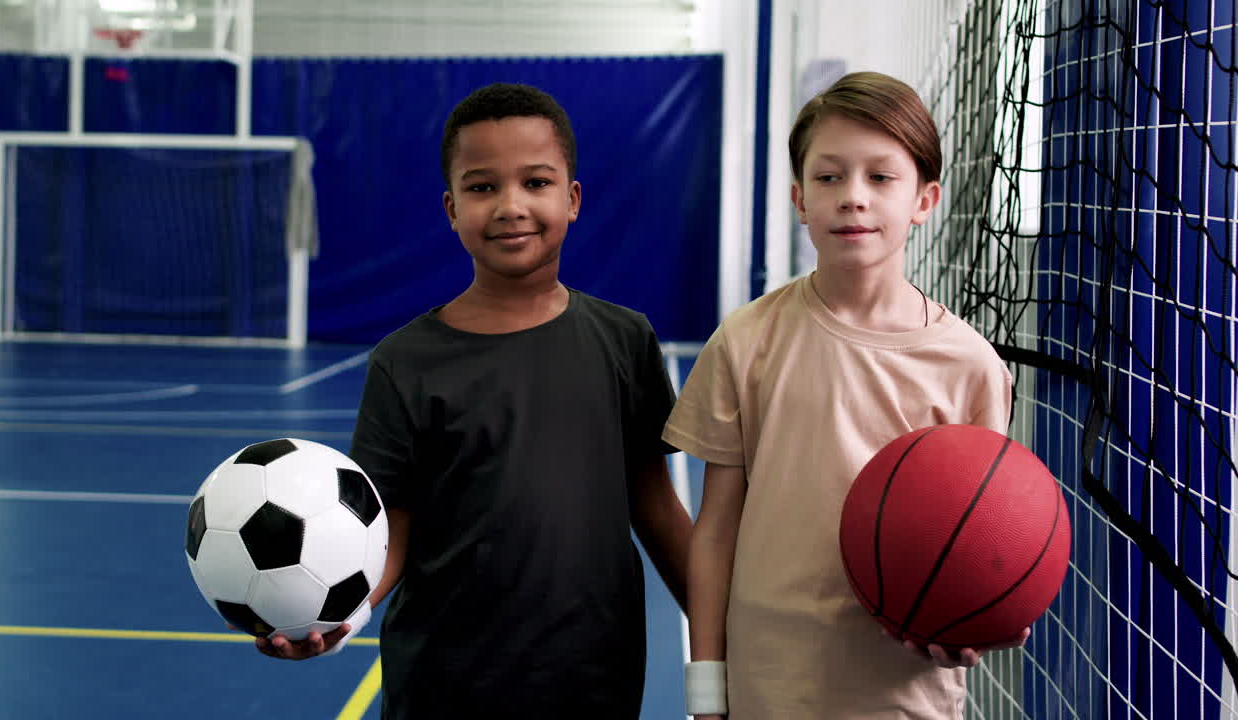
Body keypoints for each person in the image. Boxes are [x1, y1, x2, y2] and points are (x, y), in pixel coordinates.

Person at [253, 82, 693, 719]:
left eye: (536, 183)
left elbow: (656, 505)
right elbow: (387, 527)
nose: (511, 206)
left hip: (595, 677)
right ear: (451, 208)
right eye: (483, 187)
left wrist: (727, 630)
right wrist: (335, 614)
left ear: (572, 200)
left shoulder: (624, 340)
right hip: (445, 682)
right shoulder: (405, 361)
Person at [666, 71, 1027, 719]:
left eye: (880, 178)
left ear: (925, 198)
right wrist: (706, 685)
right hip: (768, 685)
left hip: (902, 694)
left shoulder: (970, 366)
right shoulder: (747, 340)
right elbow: (716, 530)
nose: (853, 198)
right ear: (800, 199)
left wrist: (982, 611)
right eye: (830, 178)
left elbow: (981, 536)